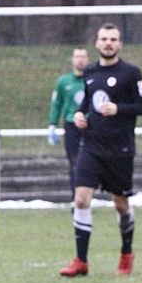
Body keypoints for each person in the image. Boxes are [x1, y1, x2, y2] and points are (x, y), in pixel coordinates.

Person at [60, 23, 142, 277]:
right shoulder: (89, 72)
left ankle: (126, 252)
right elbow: (88, 101)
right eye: (104, 39)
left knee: (120, 205)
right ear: (97, 43)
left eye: (113, 39)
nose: (108, 43)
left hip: (119, 150)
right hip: (91, 146)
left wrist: (119, 108)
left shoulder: (131, 73)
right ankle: (81, 261)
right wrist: (79, 114)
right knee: (80, 199)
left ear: (120, 43)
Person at [48, 47, 90, 197]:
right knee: (75, 163)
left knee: (92, 163)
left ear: (88, 59)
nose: (80, 59)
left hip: (90, 126)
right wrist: (52, 125)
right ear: (72, 59)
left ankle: (89, 197)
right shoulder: (63, 81)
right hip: (72, 126)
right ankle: (76, 198)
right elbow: (57, 103)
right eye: (77, 56)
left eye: (83, 56)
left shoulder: (93, 79)